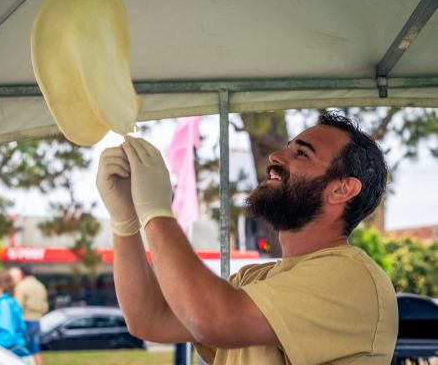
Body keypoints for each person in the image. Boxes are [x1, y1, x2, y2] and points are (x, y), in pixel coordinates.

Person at [96, 111, 398, 365]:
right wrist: (126, 224)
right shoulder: (256, 279)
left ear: (342, 189)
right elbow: (149, 318)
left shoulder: (351, 277)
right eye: (288, 148)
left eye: (301, 153)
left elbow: (213, 319)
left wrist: (158, 212)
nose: (276, 156)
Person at [0, 269, 34, 365]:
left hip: (8, 358)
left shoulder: (4, 304)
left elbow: (7, 336)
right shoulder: (1, 303)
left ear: (0, 286)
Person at [12, 264, 48, 365]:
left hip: (25, 320)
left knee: (22, 349)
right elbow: (45, 306)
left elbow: (17, 306)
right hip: (37, 320)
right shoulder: (41, 285)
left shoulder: (22, 286)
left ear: (22, 273)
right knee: (36, 349)